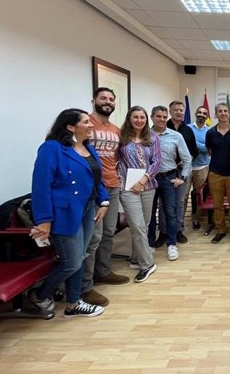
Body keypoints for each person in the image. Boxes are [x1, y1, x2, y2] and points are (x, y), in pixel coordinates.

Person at [29, 109, 108, 318]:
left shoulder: (88, 148)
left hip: (88, 208)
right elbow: (40, 185)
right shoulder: (52, 148)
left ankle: (73, 303)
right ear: (70, 127)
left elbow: (97, 178)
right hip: (65, 212)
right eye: (86, 122)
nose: (91, 125)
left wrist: (104, 201)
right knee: (71, 262)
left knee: (80, 257)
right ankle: (39, 295)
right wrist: (44, 220)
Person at [82, 87, 129, 310]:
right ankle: (85, 285)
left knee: (108, 232)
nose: (107, 102)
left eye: (111, 99)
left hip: (112, 185)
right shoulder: (85, 125)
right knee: (93, 237)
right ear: (94, 101)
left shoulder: (116, 130)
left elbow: (118, 157)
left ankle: (103, 271)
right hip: (91, 189)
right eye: (103, 98)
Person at [118, 106, 162, 283]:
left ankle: (136, 258)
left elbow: (157, 161)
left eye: (142, 117)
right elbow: (114, 161)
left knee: (144, 223)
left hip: (148, 185)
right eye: (135, 117)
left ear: (146, 119)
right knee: (137, 225)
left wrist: (144, 179)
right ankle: (147, 264)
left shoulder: (152, 137)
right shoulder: (121, 137)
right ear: (129, 118)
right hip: (128, 187)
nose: (139, 120)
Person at [148, 106, 191, 262]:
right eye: (158, 116)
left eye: (164, 117)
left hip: (169, 178)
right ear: (152, 117)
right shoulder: (145, 136)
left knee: (170, 212)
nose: (161, 119)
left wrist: (183, 178)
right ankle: (150, 243)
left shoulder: (176, 136)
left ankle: (172, 244)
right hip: (149, 179)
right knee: (150, 214)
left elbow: (187, 159)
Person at [205, 103, 230, 243]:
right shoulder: (211, 133)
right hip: (215, 174)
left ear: (229, 113)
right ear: (216, 114)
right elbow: (210, 151)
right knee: (217, 205)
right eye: (220, 111)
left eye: (226, 111)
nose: (223, 113)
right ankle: (220, 230)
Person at [167, 100, 197, 243]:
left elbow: (194, 151)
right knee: (164, 203)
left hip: (183, 170)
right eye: (176, 110)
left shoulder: (188, 130)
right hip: (166, 171)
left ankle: (179, 229)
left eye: (181, 110)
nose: (179, 112)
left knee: (180, 201)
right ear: (170, 111)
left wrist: (185, 160)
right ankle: (164, 231)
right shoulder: (163, 126)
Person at [189, 106, 211, 230]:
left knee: (199, 195)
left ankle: (195, 219)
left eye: (204, 113)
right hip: (186, 167)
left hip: (202, 167)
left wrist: (193, 143)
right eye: (200, 112)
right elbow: (184, 145)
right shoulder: (187, 128)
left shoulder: (209, 131)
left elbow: (209, 149)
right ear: (195, 113)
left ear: (207, 116)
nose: (201, 115)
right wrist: (201, 146)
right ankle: (179, 223)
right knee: (183, 196)